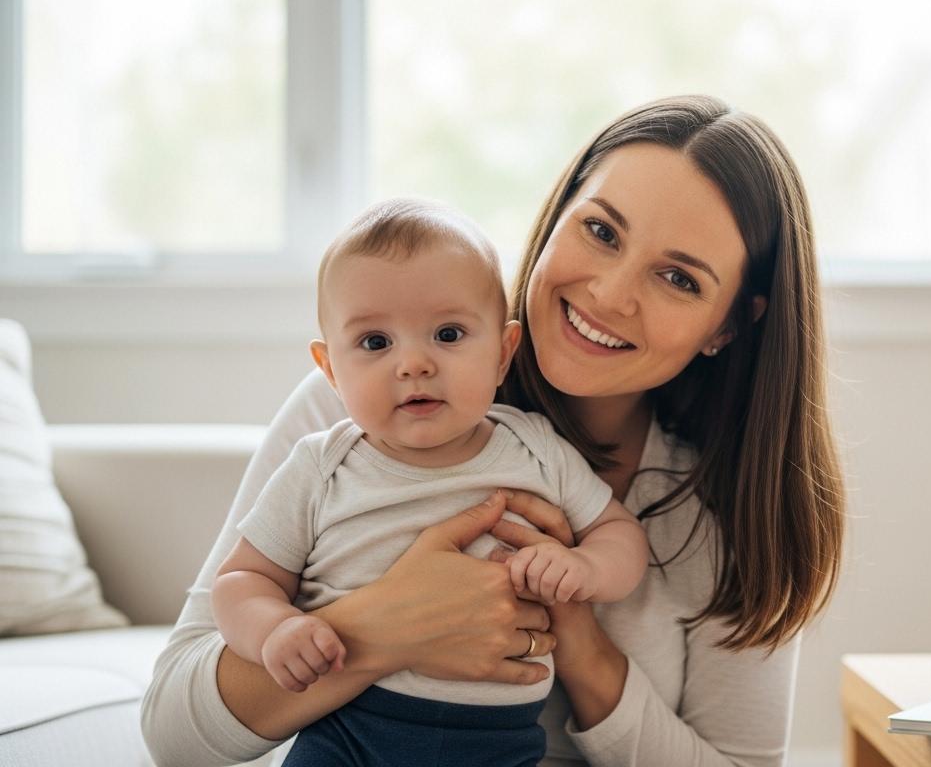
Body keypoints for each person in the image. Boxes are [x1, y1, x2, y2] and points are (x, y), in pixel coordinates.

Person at [141, 94, 846, 766]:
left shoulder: (728, 506)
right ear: (558, 213)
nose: (609, 294)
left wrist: (580, 644)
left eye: (679, 279)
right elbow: (174, 733)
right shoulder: (355, 414)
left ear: (728, 324)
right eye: (600, 231)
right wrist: (385, 626)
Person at [208, 197, 648, 766]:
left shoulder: (535, 448)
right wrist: (273, 631)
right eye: (375, 343)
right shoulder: (321, 466)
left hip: (499, 741)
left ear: (503, 353)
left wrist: (587, 568)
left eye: (447, 334)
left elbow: (620, 533)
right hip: (349, 730)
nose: (413, 363)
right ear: (331, 371)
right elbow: (241, 578)